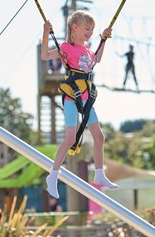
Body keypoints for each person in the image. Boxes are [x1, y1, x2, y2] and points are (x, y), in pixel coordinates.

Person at [41, 10, 119, 199]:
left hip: (87, 98)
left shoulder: (87, 50)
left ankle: (99, 174)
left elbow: (97, 59)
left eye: (92, 30)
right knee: (69, 138)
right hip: (71, 97)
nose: (90, 32)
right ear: (74, 28)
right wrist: (46, 33)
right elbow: (45, 56)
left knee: (99, 137)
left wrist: (104, 39)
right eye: (87, 29)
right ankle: (53, 175)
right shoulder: (66, 47)